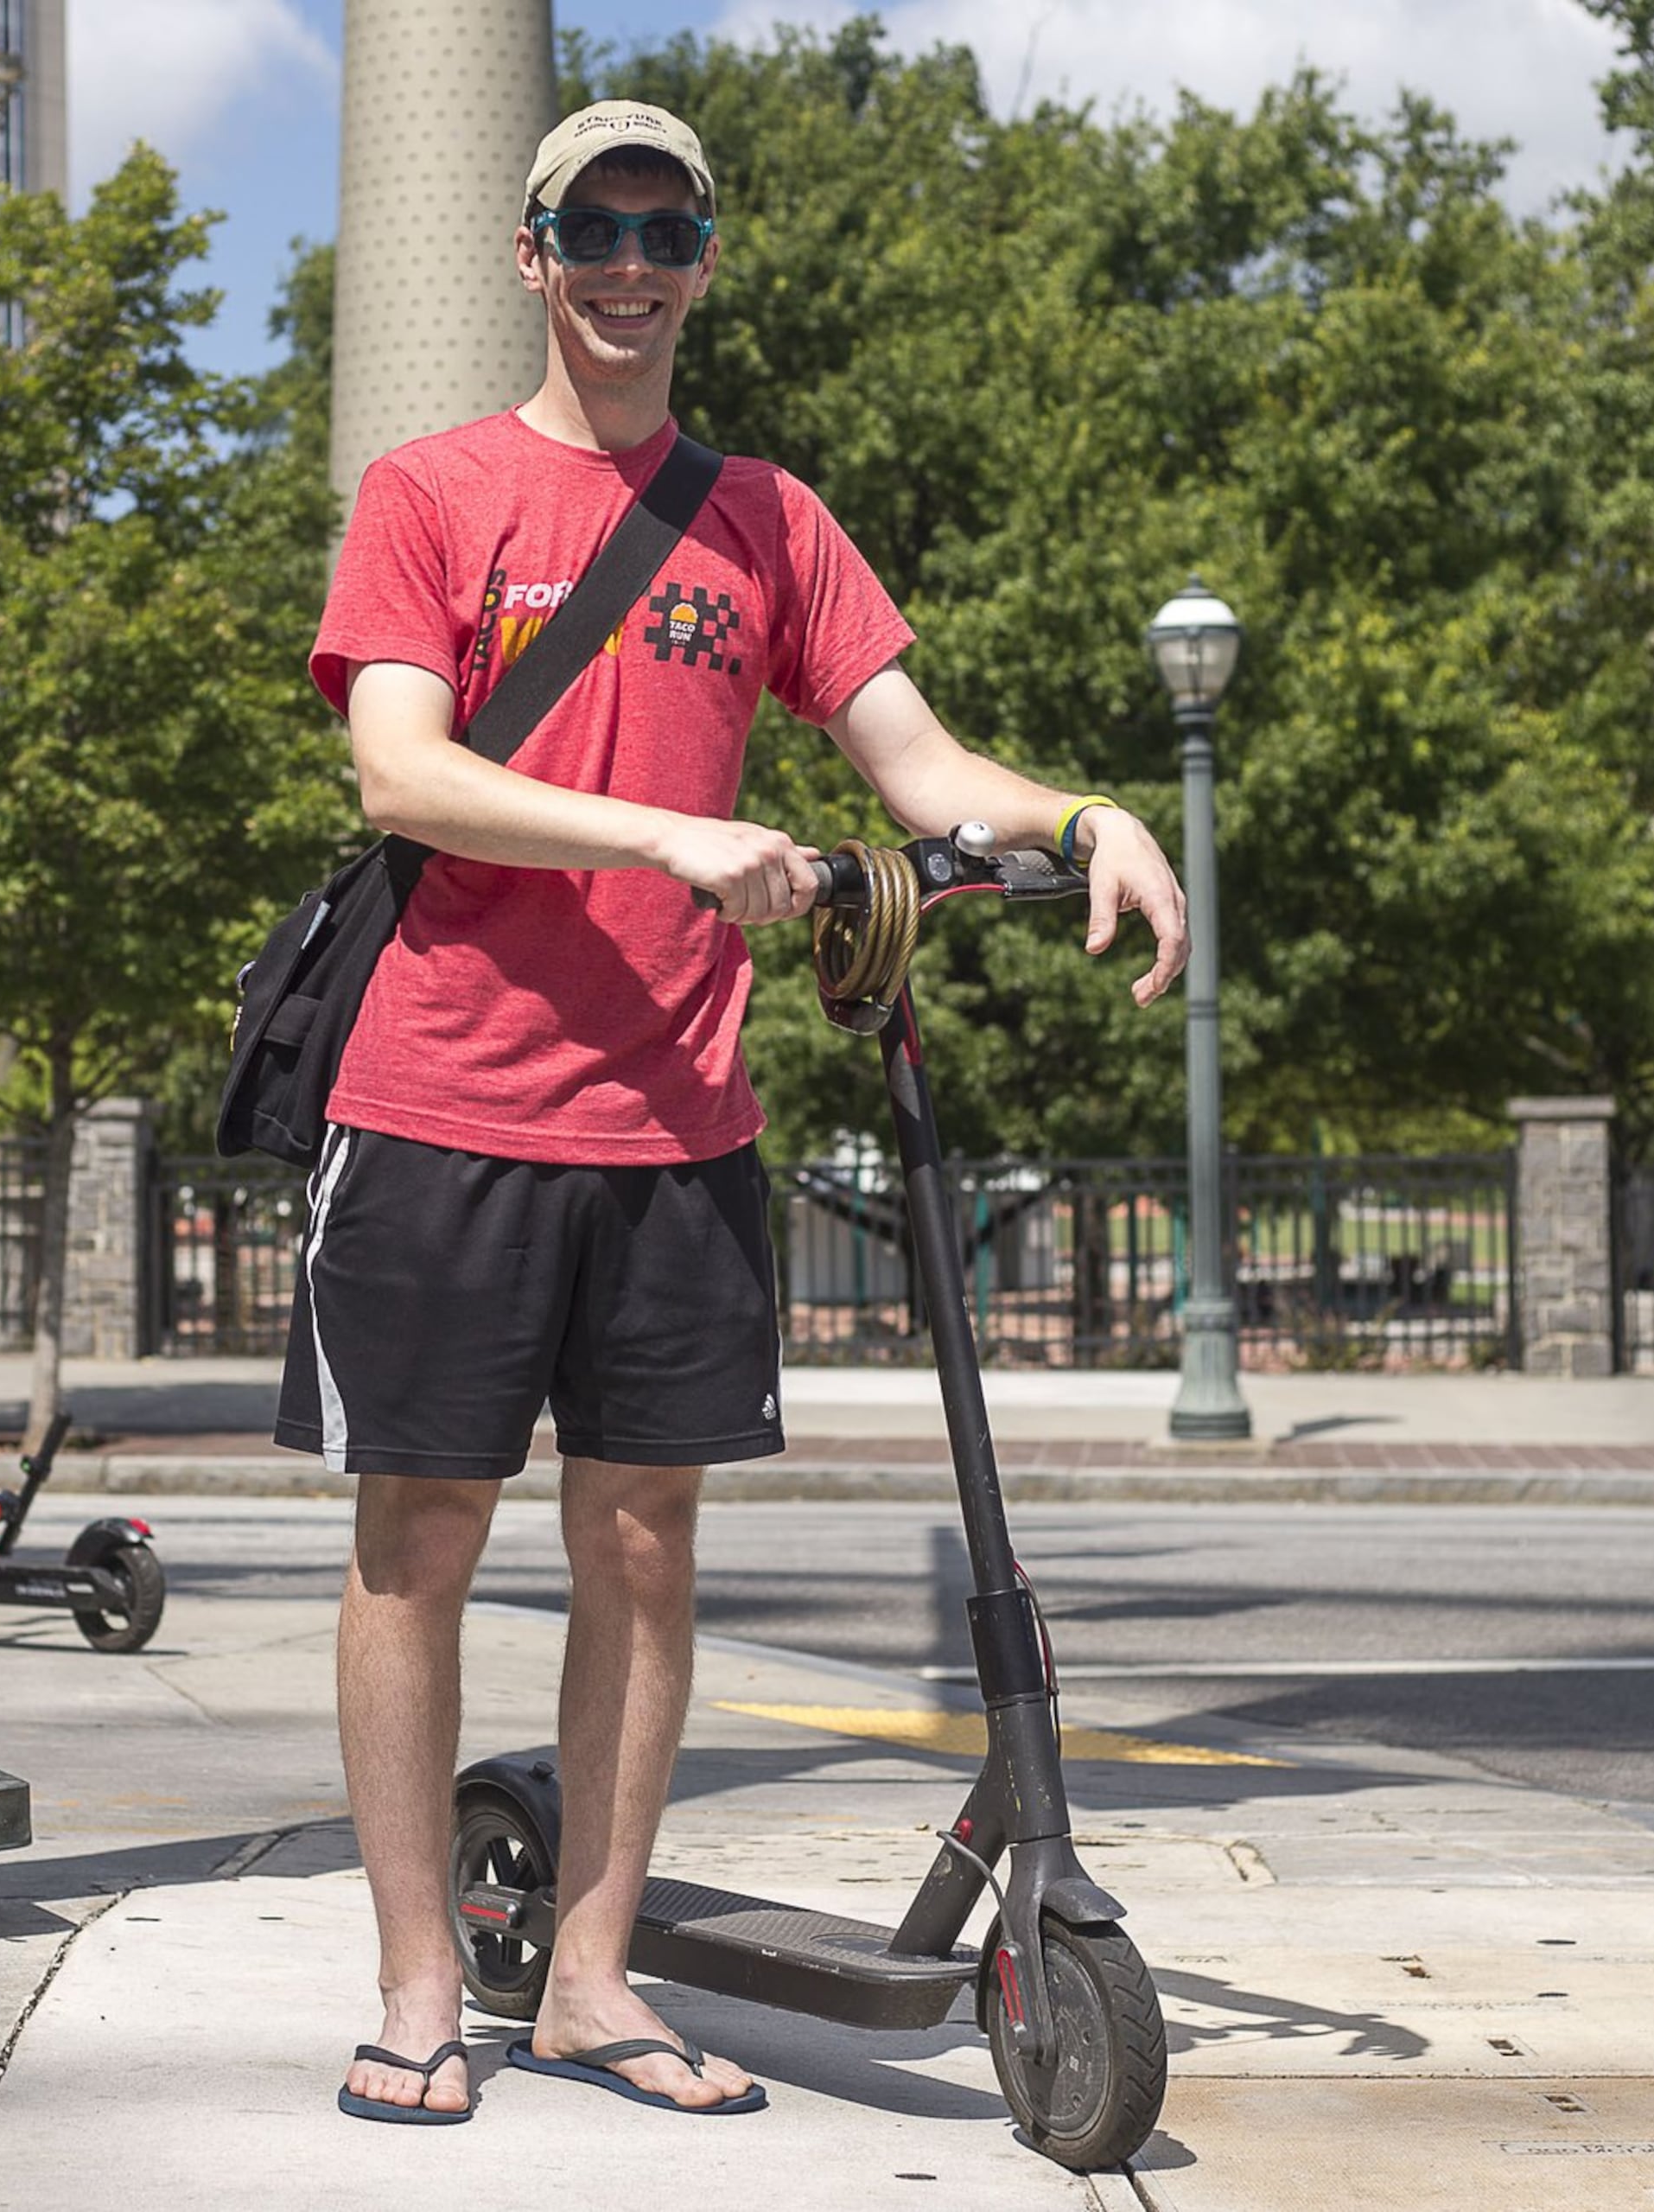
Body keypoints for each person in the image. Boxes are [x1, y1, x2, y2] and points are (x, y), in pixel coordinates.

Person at [289, 99, 1190, 2123]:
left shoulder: (767, 521)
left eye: (663, 227)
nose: (628, 260)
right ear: (531, 253)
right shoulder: (428, 493)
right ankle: (425, 1982)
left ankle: (595, 1980)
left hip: (676, 1119)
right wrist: (674, 834)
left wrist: (1082, 815)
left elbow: (916, 757)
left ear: (703, 260)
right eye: (591, 224)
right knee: (417, 1540)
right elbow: (402, 776)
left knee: (646, 1542)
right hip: (441, 1097)